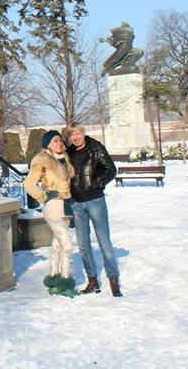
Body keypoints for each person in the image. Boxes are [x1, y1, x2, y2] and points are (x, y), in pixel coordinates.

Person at [66, 124, 122, 297]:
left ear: (83, 134)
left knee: (104, 243)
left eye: (78, 134)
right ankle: (93, 281)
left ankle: (113, 280)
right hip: (77, 204)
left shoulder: (96, 148)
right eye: (72, 135)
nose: (75, 137)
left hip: (95, 201)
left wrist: (97, 183)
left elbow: (111, 169)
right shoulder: (69, 153)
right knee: (83, 245)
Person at [23, 130, 78, 298]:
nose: (59, 144)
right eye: (55, 141)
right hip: (53, 206)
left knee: (57, 245)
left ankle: (54, 280)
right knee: (68, 246)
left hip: (66, 205)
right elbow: (29, 184)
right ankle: (66, 283)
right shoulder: (43, 160)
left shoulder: (64, 159)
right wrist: (43, 197)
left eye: (60, 141)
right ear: (47, 144)